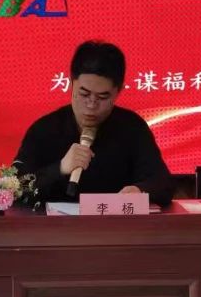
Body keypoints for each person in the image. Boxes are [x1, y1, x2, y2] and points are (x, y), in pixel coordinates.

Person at [14, 40, 174, 205]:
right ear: (71, 83)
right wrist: (59, 168)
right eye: (84, 94)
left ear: (118, 91)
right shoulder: (44, 129)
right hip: (55, 222)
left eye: (102, 97)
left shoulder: (132, 128)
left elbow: (163, 183)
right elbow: (15, 188)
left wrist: (140, 191)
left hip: (114, 220)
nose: (91, 105)